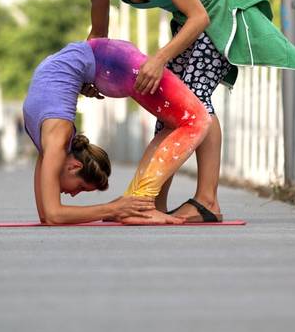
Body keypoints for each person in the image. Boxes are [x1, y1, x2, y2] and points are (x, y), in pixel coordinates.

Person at [76, 0, 295, 222]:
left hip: (221, 8)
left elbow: (200, 17)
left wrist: (159, 59)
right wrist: (85, 73)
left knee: (195, 100)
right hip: (190, 19)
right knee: (166, 106)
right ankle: (150, 201)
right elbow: (98, 37)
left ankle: (207, 201)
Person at [23, 38, 213, 225]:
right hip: (107, 59)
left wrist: (117, 208)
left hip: (114, 62)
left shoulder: (56, 139)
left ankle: (140, 205)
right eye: (81, 188)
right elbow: (49, 215)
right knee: (188, 121)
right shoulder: (54, 141)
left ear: (74, 167)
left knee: (196, 120)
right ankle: (139, 204)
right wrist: (114, 208)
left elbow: (51, 214)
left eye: (79, 188)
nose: (73, 194)